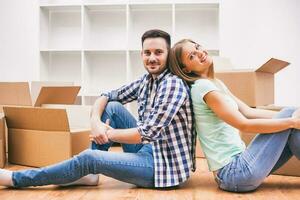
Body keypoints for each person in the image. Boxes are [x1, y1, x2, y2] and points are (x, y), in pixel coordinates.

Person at [0, 30, 196, 189]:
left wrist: (108, 134)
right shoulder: (147, 80)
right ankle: (90, 174)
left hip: (162, 168)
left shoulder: (172, 84)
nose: (152, 58)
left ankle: (18, 179)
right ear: (141, 54)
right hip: (149, 149)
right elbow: (107, 95)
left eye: (158, 52)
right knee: (112, 107)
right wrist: (95, 123)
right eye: (147, 53)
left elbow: (147, 133)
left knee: (89, 157)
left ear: (168, 54)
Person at [168, 38, 300, 192]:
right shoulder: (202, 87)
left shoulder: (215, 83)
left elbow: (249, 112)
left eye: (197, 47)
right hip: (233, 174)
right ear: (186, 69)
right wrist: (291, 121)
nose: (200, 53)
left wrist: (293, 117)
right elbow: (243, 124)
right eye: (192, 56)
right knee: (290, 117)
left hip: (241, 168)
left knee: (291, 117)